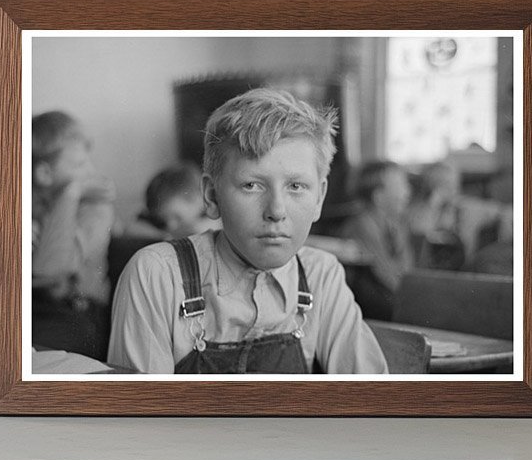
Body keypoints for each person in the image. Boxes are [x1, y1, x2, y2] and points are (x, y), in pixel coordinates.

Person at [107, 88, 388, 374]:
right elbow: (140, 416)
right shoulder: (158, 274)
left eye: (296, 187)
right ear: (212, 197)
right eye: (251, 185)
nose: (276, 211)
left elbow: (372, 400)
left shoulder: (320, 275)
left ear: (319, 198)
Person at [31, 110, 115, 360]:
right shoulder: (27, 206)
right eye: (79, 165)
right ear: (44, 174)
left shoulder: (96, 209)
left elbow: (49, 270)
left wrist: (71, 192)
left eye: (89, 160)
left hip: (77, 314)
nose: (91, 171)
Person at [340, 160, 413, 322]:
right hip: (370, 313)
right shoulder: (362, 225)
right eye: (401, 186)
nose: (408, 193)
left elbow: (405, 270)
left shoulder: (395, 225)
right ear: (378, 197)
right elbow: (387, 276)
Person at [125, 163, 220, 240]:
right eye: (163, 219)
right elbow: (131, 228)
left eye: (177, 217)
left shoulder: (213, 221)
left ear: (197, 199)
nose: (171, 225)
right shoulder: (163, 224)